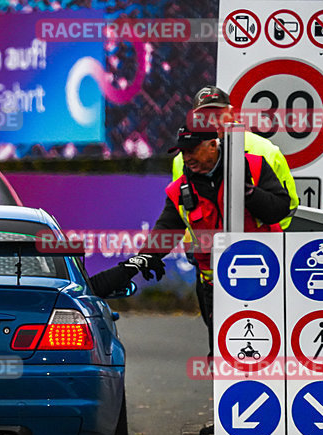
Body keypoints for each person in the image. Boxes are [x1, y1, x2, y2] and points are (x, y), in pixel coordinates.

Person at [90, 125, 291, 357]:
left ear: (213, 145)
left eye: (192, 150)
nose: (187, 158)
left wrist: (249, 193)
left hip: (266, 283)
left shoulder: (254, 167)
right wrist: (144, 259)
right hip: (217, 289)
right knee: (223, 354)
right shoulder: (181, 190)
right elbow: (166, 229)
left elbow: (280, 209)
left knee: (270, 349)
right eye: (183, 152)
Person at [174, 86, 299, 229]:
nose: (212, 122)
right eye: (203, 117)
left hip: (257, 246)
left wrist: (264, 235)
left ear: (231, 113)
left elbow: (287, 207)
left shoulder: (265, 150)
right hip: (203, 247)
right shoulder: (180, 160)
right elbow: (180, 210)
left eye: (217, 114)